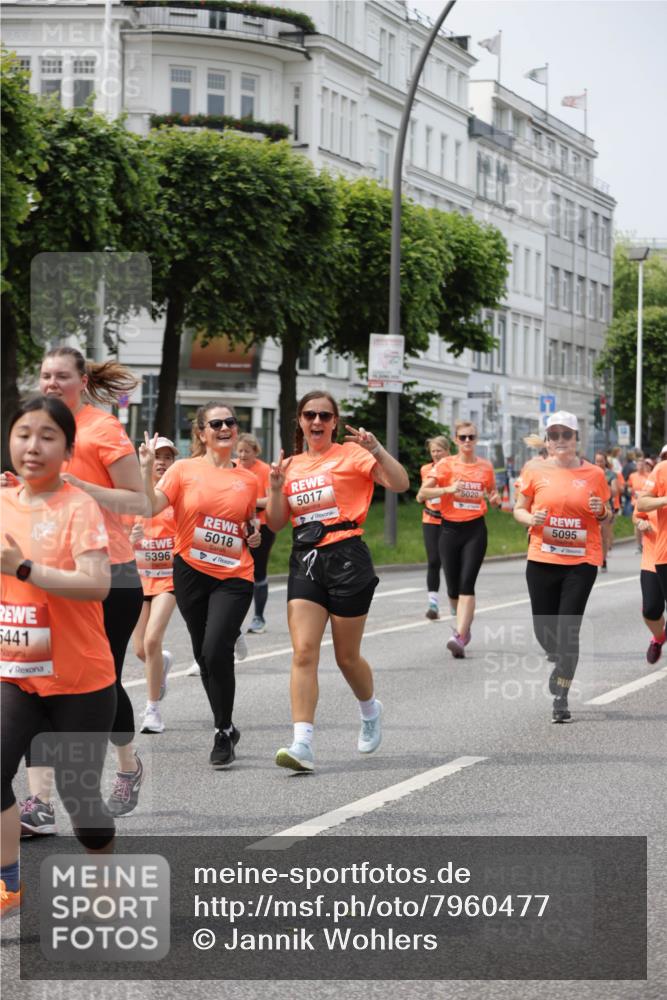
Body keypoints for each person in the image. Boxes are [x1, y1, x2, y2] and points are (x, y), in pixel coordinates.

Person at [18, 346, 146, 831]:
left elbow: (139, 500)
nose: (51, 383)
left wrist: (82, 487)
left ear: (82, 381)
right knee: (36, 680)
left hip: (111, 574)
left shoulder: (103, 429)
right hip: (49, 572)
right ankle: (39, 802)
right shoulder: (37, 429)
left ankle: (128, 766)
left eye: (61, 376)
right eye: (45, 375)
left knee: (102, 682)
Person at [1, 396, 116, 913]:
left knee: (80, 801)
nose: (33, 446)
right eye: (24, 434)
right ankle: (8, 885)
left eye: (48, 437)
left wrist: (24, 568)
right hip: (16, 672)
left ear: (68, 451)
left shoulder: (78, 506)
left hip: (79, 679)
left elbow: (97, 585)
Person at [266, 391, 409, 772]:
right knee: (303, 651)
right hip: (306, 559)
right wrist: (276, 488)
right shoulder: (290, 465)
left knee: (346, 657)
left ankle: (370, 709)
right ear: (300, 421)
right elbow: (276, 523)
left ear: (334, 422)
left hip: (347, 558)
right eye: (310, 415)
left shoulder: (352, 455)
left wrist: (377, 450)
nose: (317, 422)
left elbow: (400, 484)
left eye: (325, 416)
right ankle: (302, 743)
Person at [139, 403, 260, 769]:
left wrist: (253, 533)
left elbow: (247, 522)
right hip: (191, 571)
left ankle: (221, 731)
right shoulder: (182, 470)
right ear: (202, 433)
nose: (225, 428)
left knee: (216, 647)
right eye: (216, 423)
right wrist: (146, 469)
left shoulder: (248, 479)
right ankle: (227, 725)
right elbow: (150, 507)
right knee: (203, 655)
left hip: (235, 575)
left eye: (230, 422)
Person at [513, 412, 611, 723]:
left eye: (566, 434)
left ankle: (561, 697)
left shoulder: (594, 474)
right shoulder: (534, 469)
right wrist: (531, 519)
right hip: (542, 558)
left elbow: (608, 515)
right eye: (554, 435)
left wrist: (601, 511)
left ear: (576, 438)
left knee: (569, 631)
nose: (560, 440)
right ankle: (559, 659)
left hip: (581, 562)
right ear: (547, 440)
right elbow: (518, 509)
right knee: (544, 631)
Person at [420, 420, 501, 658]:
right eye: (463, 437)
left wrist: (495, 500)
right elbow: (423, 493)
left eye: (471, 437)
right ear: (456, 440)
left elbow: (493, 494)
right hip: (449, 530)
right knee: (453, 588)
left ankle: (460, 635)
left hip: (475, 530)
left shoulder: (485, 467)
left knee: (467, 583)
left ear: (476, 440)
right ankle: (463, 628)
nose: (467, 441)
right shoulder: (446, 465)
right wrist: (447, 489)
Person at [129, 437, 179, 735]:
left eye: (167, 457)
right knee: (140, 650)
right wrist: (129, 539)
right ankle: (162, 663)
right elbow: (117, 536)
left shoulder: (176, 496)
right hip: (139, 579)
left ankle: (152, 710)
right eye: (156, 456)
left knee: (151, 641)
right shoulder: (132, 495)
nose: (161, 462)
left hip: (168, 580)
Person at [235, 433, 275, 634]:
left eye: (247, 451)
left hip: (262, 526)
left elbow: (271, 500)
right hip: (237, 525)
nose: (242, 455)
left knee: (258, 570)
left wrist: (250, 504)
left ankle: (259, 617)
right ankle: (232, 618)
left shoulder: (264, 470)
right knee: (235, 571)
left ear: (255, 452)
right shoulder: (232, 467)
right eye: (240, 451)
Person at [416, 436, 450, 620]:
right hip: (430, 518)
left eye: (439, 451)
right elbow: (422, 494)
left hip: (450, 519)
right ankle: (433, 604)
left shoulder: (454, 468)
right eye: (433, 451)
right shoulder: (425, 469)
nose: (436, 454)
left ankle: (457, 601)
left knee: (451, 562)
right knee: (433, 561)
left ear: (447, 451)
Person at [637, 446, 667, 644]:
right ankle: (658, 638)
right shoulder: (661, 471)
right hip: (656, 554)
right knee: (651, 609)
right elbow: (640, 507)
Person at [632, 508, 666, 663]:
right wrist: (640, 522)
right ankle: (658, 638)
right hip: (653, 558)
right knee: (651, 609)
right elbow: (637, 516)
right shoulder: (650, 494)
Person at [594, 453, 618, 572]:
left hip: (606, 505)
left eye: (601, 461)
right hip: (592, 505)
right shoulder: (591, 473)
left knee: (604, 536)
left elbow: (614, 492)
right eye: (597, 461)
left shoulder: (610, 474)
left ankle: (603, 561)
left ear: (605, 462)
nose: (599, 463)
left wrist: (603, 484)